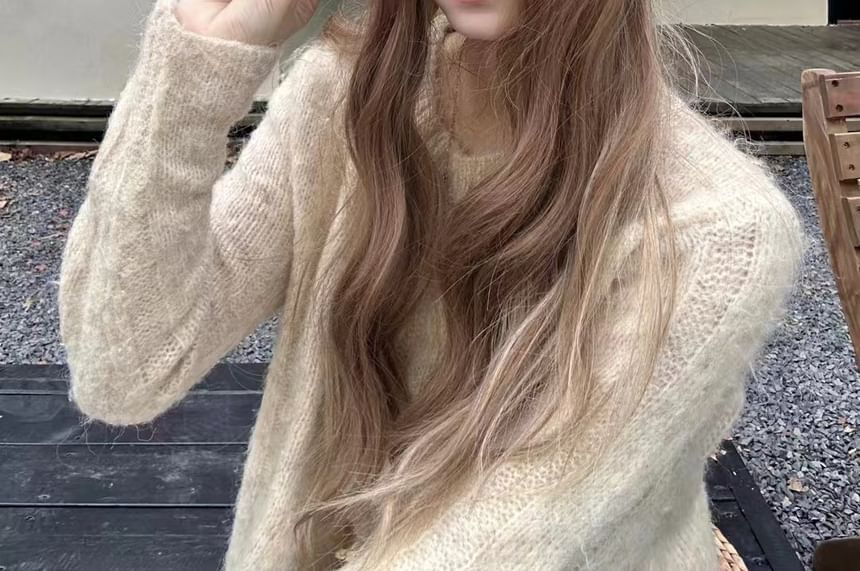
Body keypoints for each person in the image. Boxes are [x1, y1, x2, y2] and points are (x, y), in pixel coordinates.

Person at [56, 0, 807, 569]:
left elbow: (499, 540)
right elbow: (126, 366)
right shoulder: (341, 95)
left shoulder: (714, 230)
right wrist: (197, 60)